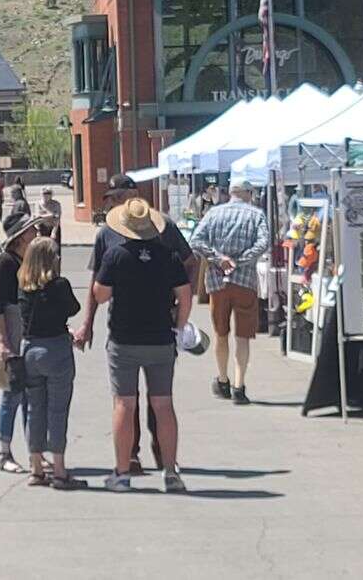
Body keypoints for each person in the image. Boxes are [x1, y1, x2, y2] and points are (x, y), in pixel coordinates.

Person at [77, 174, 199, 474]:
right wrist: (87, 322)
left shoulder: (164, 226)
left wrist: (179, 306)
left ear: (134, 194)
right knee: (129, 399)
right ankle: (130, 455)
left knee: (154, 399)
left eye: (119, 197)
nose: (115, 203)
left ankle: (163, 451)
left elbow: (190, 262)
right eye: (112, 199)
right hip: (124, 322)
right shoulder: (107, 233)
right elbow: (97, 281)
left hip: (154, 323)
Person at [189, 179, 270, 405]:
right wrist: (242, 260)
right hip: (245, 281)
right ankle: (239, 385)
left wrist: (218, 258)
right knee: (243, 336)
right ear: (247, 194)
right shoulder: (256, 215)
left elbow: (196, 240)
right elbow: (264, 243)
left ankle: (223, 380)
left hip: (217, 282)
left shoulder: (214, 214)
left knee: (220, 333)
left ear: (231, 193)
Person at [17, 236, 85, 489]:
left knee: (35, 410)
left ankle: (36, 468)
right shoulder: (59, 285)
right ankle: (59, 470)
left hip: (31, 349)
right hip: (56, 348)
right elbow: (73, 308)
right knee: (57, 411)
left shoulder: (24, 286)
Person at [0, 212, 52, 474]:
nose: (35, 233)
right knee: (12, 394)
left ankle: (34, 452)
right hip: (12, 332)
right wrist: (3, 342)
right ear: (18, 237)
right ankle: (4, 453)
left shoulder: (29, 259)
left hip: (28, 331)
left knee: (33, 395)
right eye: (30, 230)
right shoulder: (5, 263)